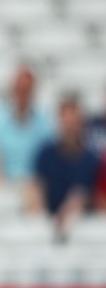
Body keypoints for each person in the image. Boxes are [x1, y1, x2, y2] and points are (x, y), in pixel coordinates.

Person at [28, 95, 99, 241]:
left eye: (74, 120)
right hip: (48, 221)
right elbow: (37, 189)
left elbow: (89, 197)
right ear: (59, 121)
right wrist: (42, 223)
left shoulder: (92, 159)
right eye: (66, 119)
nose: (70, 125)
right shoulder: (45, 153)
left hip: (80, 227)